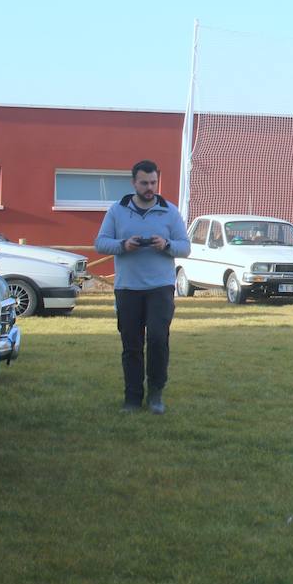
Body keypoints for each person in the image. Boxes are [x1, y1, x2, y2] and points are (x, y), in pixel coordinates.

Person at [94, 160, 189, 414]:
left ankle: (156, 394)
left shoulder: (169, 211)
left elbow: (185, 247)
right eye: (144, 183)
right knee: (132, 345)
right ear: (133, 183)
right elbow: (100, 243)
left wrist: (166, 245)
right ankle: (132, 398)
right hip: (128, 288)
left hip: (160, 288)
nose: (150, 188)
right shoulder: (117, 210)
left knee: (158, 339)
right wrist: (123, 245)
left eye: (153, 183)